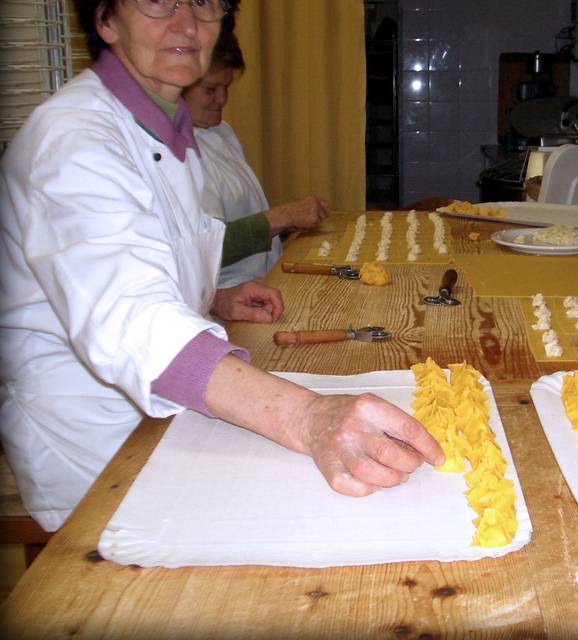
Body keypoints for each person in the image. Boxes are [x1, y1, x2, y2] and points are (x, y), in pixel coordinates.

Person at [0, 0, 443, 532]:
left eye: (206, 3)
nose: (186, 22)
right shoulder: (73, 140)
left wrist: (213, 297)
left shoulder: (164, 126)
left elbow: (159, 247)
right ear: (105, 20)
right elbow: (128, 316)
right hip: (96, 448)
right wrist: (310, 416)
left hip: (166, 422)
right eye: (159, 0)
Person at [182, 26, 327, 288]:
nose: (222, 99)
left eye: (226, 87)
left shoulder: (220, 133)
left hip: (261, 282)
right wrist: (283, 217)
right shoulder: (177, 152)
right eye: (210, 89)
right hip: (225, 297)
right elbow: (206, 249)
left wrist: (286, 225)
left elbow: (242, 218)